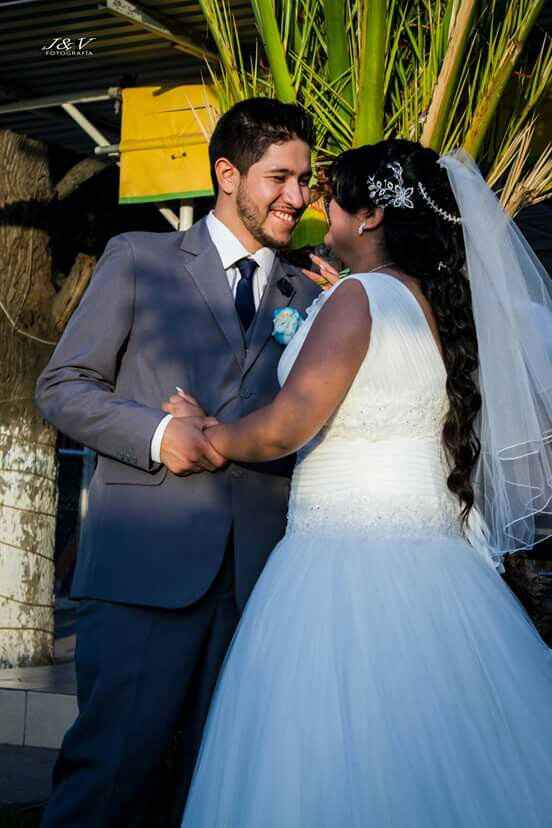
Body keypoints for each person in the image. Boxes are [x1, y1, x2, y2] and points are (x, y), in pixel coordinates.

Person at [166, 139, 552, 827]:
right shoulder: (429, 303)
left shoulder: (359, 297)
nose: (319, 208)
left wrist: (208, 434)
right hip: (437, 570)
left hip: (340, 562)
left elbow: (287, 426)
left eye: (331, 196)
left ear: (370, 215)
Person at [33, 97, 322, 827]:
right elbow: (63, 386)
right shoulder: (141, 257)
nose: (297, 196)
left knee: (211, 790)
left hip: (256, 588)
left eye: (305, 180)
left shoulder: (311, 297)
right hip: (142, 576)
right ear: (228, 173)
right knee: (110, 780)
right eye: (280, 177)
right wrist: (161, 434)